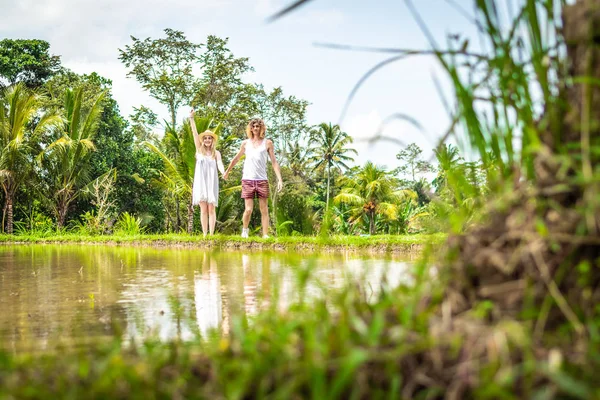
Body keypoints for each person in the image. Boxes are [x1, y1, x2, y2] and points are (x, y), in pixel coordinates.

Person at [223, 118, 283, 238]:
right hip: (248, 179)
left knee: (264, 210)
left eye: (258, 126)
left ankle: (265, 235)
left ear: (262, 128)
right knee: (248, 209)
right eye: (253, 126)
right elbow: (236, 158)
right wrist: (227, 171)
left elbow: (274, 162)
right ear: (250, 128)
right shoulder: (245, 143)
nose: (255, 128)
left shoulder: (268, 143)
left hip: (262, 180)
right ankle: (245, 230)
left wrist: (280, 179)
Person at [190, 109, 225, 237]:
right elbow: (194, 133)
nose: (207, 140)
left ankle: (211, 234)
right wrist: (192, 119)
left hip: (211, 182)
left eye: (210, 138)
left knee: (211, 208)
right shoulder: (199, 150)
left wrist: (223, 172)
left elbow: (220, 164)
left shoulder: (216, 153)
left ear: (212, 140)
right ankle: (204, 234)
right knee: (203, 209)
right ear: (203, 140)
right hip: (201, 182)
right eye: (205, 138)